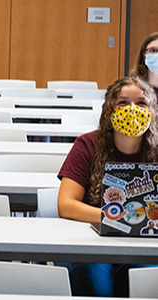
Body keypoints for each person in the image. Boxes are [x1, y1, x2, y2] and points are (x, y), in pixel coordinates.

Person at [57, 76, 158, 296]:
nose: (132, 110)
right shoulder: (87, 145)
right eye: (123, 102)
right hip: (92, 245)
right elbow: (66, 205)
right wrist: (116, 219)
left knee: (147, 284)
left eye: (141, 103)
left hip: (145, 248)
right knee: (96, 285)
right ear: (109, 110)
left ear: (152, 111)